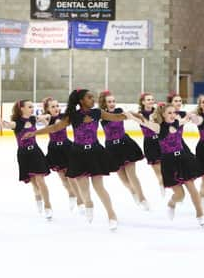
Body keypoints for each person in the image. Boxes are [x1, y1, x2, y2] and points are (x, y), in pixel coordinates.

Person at [24, 89, 129, 231]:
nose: (93, 99)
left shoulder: (97, 112)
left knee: (99, 187)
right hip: (78, 154)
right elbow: (55, 127)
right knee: (84, 189)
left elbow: (116, 117)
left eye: (93, 97)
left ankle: (112, 215)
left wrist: (132, 116)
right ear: (81, 101)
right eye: (89, 97)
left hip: (95, 151)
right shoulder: (73, 116)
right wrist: (35, 132)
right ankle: (88, 204)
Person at [126, 104, 204, 226]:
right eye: (169, 113)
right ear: (163, 114)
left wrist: (194, 113)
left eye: (174, 112)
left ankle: (200, 215)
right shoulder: (158, 127)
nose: (172, 115)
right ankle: (172, 203)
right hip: (169, 163)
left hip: (183, 159)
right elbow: (144, 123)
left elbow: (190, 115)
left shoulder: (179, 123)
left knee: (192, 188)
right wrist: (131, 117)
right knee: (180, 195)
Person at [0, 100, 53, 220]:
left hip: (36, 152)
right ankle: (38, 196)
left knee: (40, 179)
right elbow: (5, 124)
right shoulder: (16, 123)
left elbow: (47, 116)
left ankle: (48, 206)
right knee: (33, 181)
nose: (32, 108)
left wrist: (45, 118)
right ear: (22, 109)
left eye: (32, 106)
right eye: (29, 107)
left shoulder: (33, 119)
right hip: (24, 154)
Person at [98, 91, 150, 211]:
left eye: (113, 101)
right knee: (124, 179)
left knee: (132, 175)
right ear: (104, 103)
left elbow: (130, 115)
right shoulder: (101, 115)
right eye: (109, 101)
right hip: (112, 149)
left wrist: (138, 116)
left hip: (125, 145)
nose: (112, 103)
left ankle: (142, 198)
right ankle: (133, 192)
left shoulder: (119, 110)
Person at [39, 97, 81, 213]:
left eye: (57, 106)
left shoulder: (63, 117)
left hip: (66, 147)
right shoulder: (47, 119)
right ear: (48, 109)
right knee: (63, 179)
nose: (56, 108)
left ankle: (80, 200)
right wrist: (44, 117)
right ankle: (71, 195)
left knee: (70, 176)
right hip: (54, 150)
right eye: (53, 107)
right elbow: (43, 118)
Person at [136, 92, 164, 197]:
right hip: (150, 144)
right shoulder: (140, 115)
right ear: (143, 102)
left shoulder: (158, 112)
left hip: (161, 142)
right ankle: (162, 187)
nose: (151, 101)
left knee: (166, 169)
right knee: (158, 171)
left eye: (152, 99)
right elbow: (147, 126)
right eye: (148, 100)